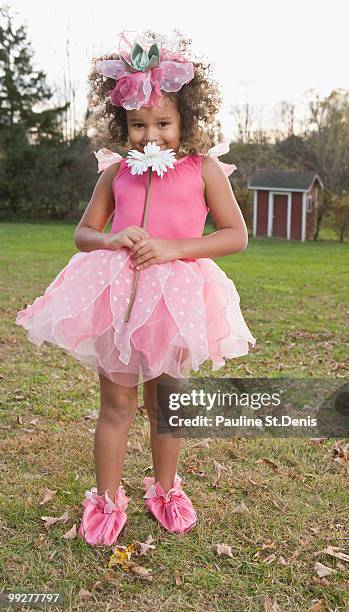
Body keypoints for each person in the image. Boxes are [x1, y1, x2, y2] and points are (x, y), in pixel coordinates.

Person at [15, 30, 256, 546]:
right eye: (138, 124)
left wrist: (174, 247)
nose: (152, 135)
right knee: (117, 404)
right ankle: (105, 498)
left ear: (185, 120)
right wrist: (111, 237)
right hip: (120, 298)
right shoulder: (116, 173)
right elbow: (83, 235)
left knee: (167, 404)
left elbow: (236, 236)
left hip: (176, 300)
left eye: (163, 123)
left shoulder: (204, 170)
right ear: (122, 125)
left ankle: (165, 488)